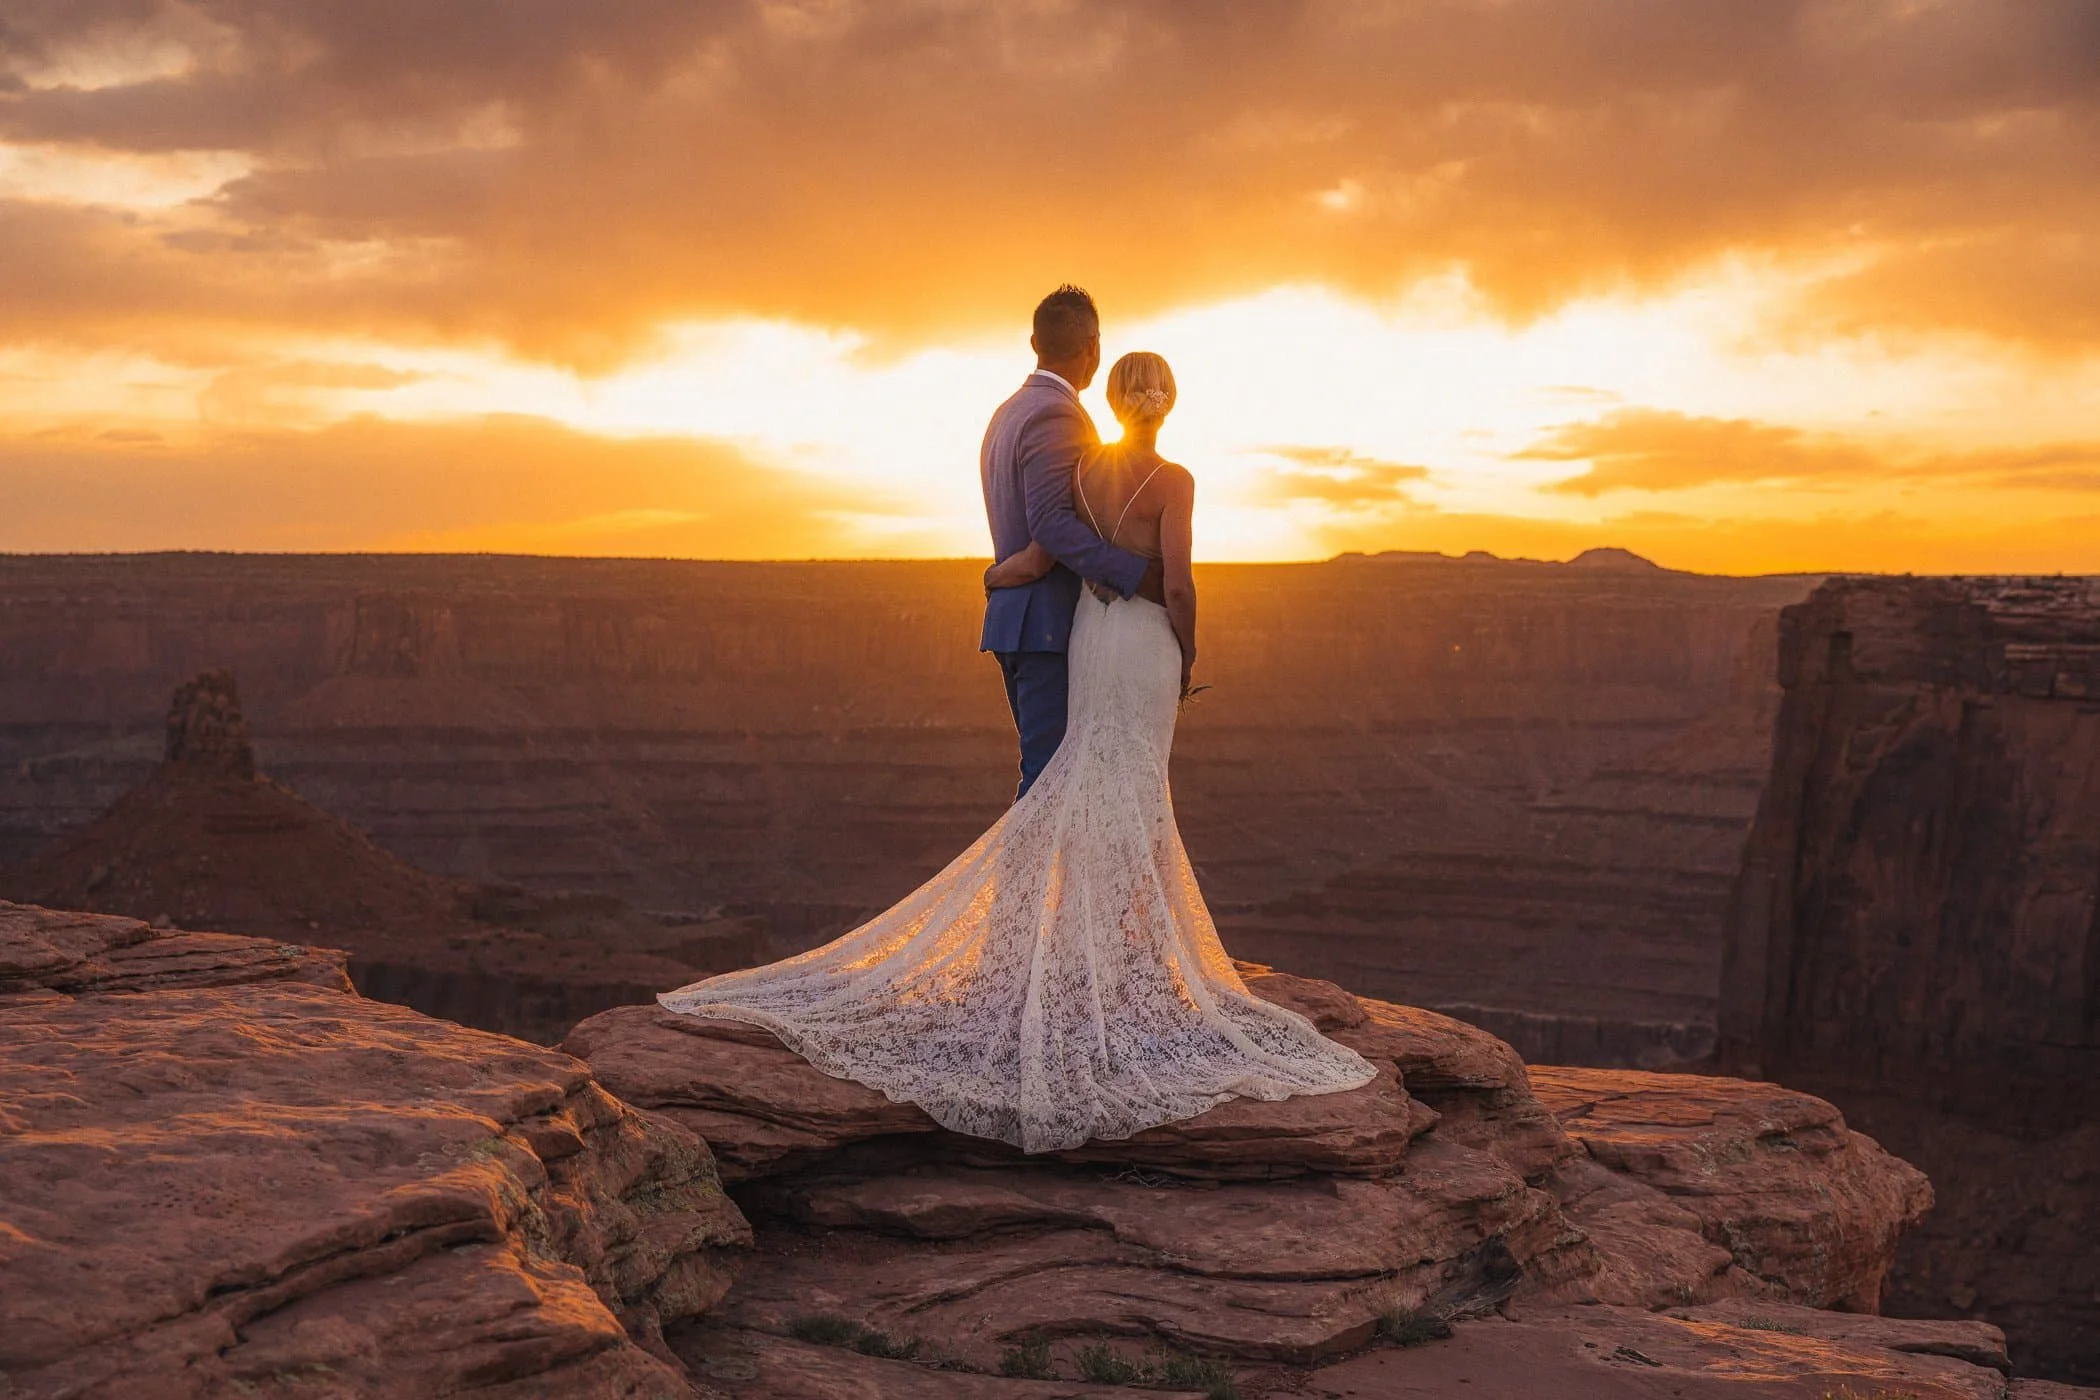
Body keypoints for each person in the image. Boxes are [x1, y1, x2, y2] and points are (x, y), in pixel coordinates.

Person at [656, 330, 1375, 1154]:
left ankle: (1094, 956)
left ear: (1115, 397)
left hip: (1087, 640)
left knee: (1082, 780)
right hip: (1140, 639)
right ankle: (1093, 966)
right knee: (1125, 787)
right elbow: (1176, 579)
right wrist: (1190, 646)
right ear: (1167, 401)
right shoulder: (1171, 478)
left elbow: (1044, 543)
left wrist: (1004, 575)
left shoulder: (1081, 466)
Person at [976, 285, 1154, 800]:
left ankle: (1031, 885)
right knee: (1046, 788)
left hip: (1017, 621)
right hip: (1046, 626)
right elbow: (1051, 524)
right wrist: (1134, 574)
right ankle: (1016, 885)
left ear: (1035, 341)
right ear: (1094, 348)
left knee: (1046, 781)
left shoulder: (1007, 412)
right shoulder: (1058, 414)